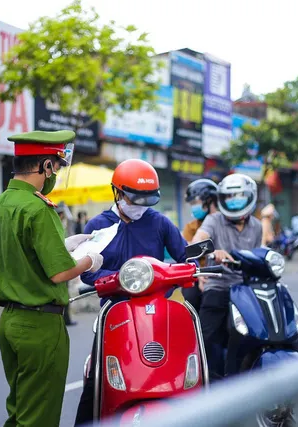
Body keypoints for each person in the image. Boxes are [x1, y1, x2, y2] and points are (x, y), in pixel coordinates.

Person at [0, 130, 104, 427]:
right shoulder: (39, 209)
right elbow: (60, 273)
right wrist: (90, 259)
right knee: (39, 417)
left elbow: (20, 253)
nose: (56, 174)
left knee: (20, 412)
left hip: (10, 323)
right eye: (57, 166)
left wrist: (62, 246)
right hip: (40, 326)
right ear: (45, 166)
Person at [74, 158, 189, 425]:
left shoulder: (159, 222)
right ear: (117, 192)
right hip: (114, 312)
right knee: (97, 379)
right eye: (134, 199)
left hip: (157, 312)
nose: (139, 207)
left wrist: (181, 272)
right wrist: (119, 278)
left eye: (146, 201)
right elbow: (87, 271)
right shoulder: (97, 226)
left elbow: (185, 256)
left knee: (173, 368)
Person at [192, 174, 263, 380]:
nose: (234, 200)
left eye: (239, 196)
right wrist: (214, 252)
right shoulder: (213, 220)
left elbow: (258, 255)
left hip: (246, 288)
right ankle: (207, 379)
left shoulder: (257, 226)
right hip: (218, 285)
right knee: (206, 338)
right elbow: (196, 244)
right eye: (229, 196)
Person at [181, 179, 219, 311]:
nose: (193, 207)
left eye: (195, 203)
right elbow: (187, 252)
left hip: (223, 275)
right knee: (190, 297)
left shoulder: (226, 223)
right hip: (198, 275)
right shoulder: (191, 227)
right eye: (191, 204)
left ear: (209, 201)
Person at [55, 203, 78, 327]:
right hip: (62, 265)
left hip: (61, 265)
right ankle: (65, 319)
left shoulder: (58, 225)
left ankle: (65, 318)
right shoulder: (58, 227)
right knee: (63, 294)